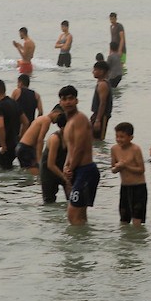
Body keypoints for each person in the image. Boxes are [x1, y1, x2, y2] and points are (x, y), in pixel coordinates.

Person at [60, 85, 98, 225]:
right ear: (60, 102)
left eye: (71, 99)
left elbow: (80, 147)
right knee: (80, 216)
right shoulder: (69, 122)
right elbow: (70, 150)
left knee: (73, 215)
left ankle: (79, 245)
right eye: (64, 99)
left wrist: (71, 168)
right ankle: (86, 243)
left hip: (86, 170)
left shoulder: (80, 119)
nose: (68, 102)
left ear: (76, 101)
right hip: (78, 170)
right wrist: (66, 167)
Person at [111, 122, 146, 226]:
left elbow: (141, 169)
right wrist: (117, 167)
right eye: (117, 136)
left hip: (138, 187)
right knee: (123, 218)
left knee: (137, 219)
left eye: (122, 137)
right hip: (125, 187)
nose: (119, 139)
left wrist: (126, 166)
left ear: (131, 137)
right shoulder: (114, 149)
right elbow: (112, 169)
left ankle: (136, 240)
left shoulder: (135, 149)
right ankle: (124, 241)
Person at [0, 79, 23, 170]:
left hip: (6, 145)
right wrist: (21, 137)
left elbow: (0, 126)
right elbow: (26, 122)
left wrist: (3, 145)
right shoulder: (14, 103)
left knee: (3, 173)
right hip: (16, 143)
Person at [39, 109, 69, 202]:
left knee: (73, 199)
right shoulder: (55, 139)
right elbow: (50, 164)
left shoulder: (73, 138)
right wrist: (65, 178)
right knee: (49, 202)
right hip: (48, 172)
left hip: (63, 169)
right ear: (63, 127)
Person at [89, 60, 113, 140]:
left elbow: (103, 103)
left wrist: (98, 120)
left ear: (102, 71)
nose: (93, 72)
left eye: (95, 70)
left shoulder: (103, 84)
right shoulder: (101, 83)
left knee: (98, 139)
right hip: (97, 115)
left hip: (101, 116)